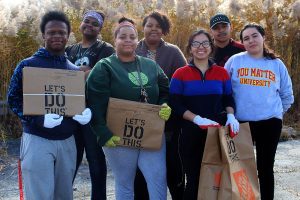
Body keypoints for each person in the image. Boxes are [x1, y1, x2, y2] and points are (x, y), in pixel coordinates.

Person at [7, 11, 91, 200]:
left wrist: (83, 113)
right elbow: (13, 99)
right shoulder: (27, 65)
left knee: (64, 195)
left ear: (68, 36)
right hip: (37, 139)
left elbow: (77, 101)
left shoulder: (74, 70)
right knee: (39, 195)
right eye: (51, 32)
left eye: (61, 32)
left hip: (67, 141)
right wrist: (37, 119)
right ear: (43, 35)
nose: (57, 36)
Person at [86, 17, 171, 200]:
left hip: (150, 132)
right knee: (125, 182)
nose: (127, 40)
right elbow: (94, 102)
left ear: (137, 40)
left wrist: (165, 104)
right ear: (114, 39)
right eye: (122, 36)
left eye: (132, 37)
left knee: (157, 178)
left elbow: (165, 88)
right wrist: (103, 132)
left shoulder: (150, 65)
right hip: (118, 135)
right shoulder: (104, 67)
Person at [225, 23, 294, 200]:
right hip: (240, 123)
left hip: (269, 123)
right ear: (242, 42)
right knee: (241, 170)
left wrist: (276, 114)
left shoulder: (276, 64)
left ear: (263, 37)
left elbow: (287, 95)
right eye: (246, 38)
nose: (251, 40)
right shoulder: (235, 61)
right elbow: (225, 91)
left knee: (265, 168)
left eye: (255, 36)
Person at [169, 29, 239, 200]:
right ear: (190, 48)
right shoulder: (180, 74)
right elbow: (175, 104)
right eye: (196, 43)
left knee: (216, 180)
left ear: (211, 46)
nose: (201, 47)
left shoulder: (221, 73)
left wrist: (231, 116)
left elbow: (228, 98)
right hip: (190, 133)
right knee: (194, 181)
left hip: (216, 133)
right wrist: (196, 119)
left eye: (205, 43)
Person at [135, 11, 187, 200]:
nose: (153, 29)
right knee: (140, 172)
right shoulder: (133, 49)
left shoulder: (173, 52)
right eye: (149, 25)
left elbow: (184, 81)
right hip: (138, 120)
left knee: (173, 167)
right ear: (143, 28)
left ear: (164, 30)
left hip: (168, 121)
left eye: (158, 26)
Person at [65, 10, 114, 200]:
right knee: (70, 159)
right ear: (80, 23)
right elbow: (61, 75)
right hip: (70, 111)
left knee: (95, 159)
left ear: (100, 28)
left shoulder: (105, 48)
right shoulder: (70, 50)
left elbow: (105, 75)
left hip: (93, 112)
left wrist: (84, 73)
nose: (90, 25)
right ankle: (62, 195)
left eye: (95, 23)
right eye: (87, 21)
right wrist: (83, 72)